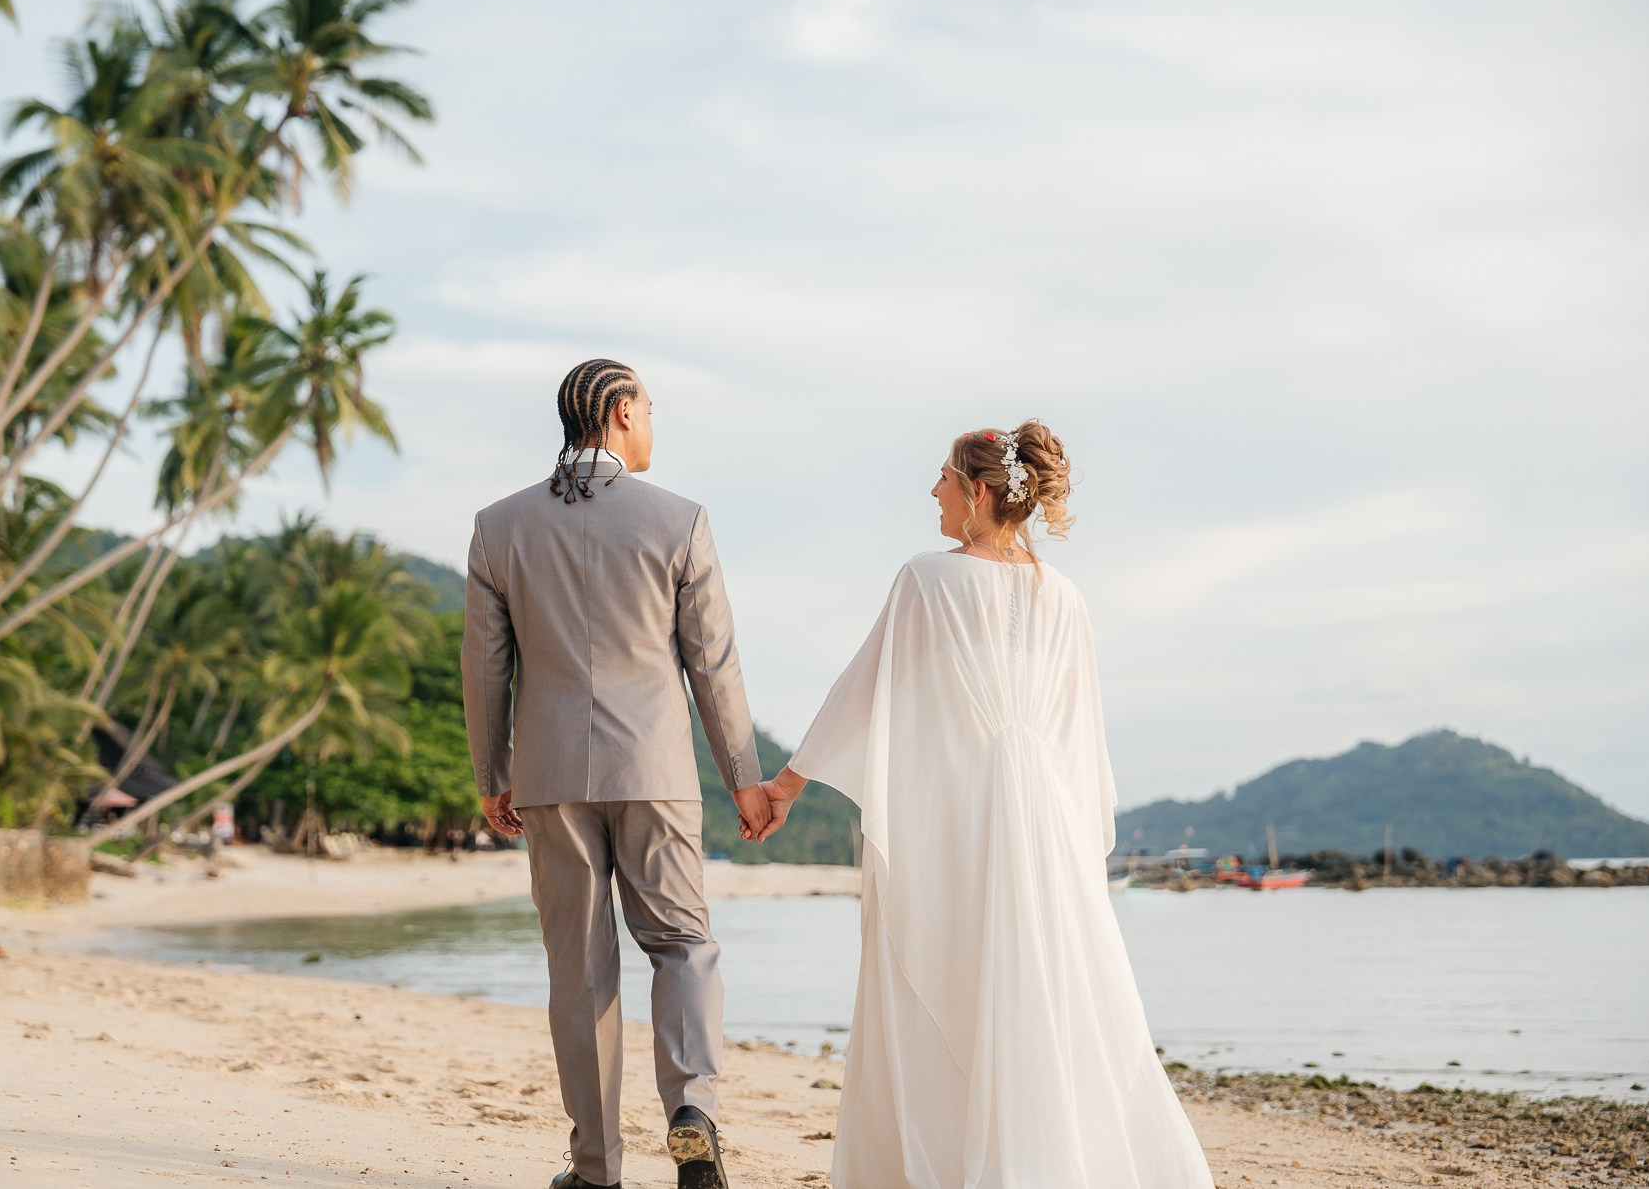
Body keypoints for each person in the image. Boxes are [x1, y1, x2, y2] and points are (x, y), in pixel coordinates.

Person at [755, 423, 1215, 1188]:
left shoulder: (927, 580)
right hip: (1046, 823)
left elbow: (865, 689)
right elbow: (1079, 731)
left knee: (947, 978)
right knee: (1051, 994)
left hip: (960, 819)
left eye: (940, 476)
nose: (930, 490)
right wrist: (1067, 837)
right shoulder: (1065, 596)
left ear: (975, 492)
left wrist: (786, 785)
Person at [462, 359, 772, 1189]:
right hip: (658, 769)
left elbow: (486, 669)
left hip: (549, 773)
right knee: (682, 944)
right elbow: (714, 664)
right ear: (624, 411)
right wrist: (743, 776)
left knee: (581, 966)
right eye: (651, 408)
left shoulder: (499, 527)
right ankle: (692, 1113)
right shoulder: (680, 519)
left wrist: (492, 771)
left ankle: (596, 1168)